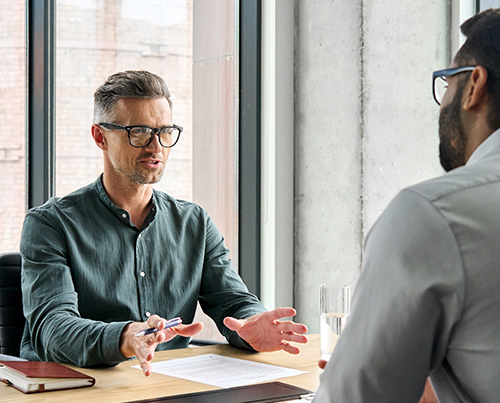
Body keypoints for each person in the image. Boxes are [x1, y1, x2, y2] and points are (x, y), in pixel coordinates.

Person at [20, 70, 308, 376]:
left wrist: (251, 324)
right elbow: (52, 329)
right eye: (140, 131)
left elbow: (233, 303)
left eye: (165, 131)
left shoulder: (193, 222)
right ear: (100, 136)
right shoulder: (50, 224)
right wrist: (124, 338)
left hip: (166, 387)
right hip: (74, 394)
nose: (156, 147)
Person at [303, 8, 500, 403]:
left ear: (474, 86)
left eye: (446, 83)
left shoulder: (436, 215)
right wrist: (446, 388)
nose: (444, 100)